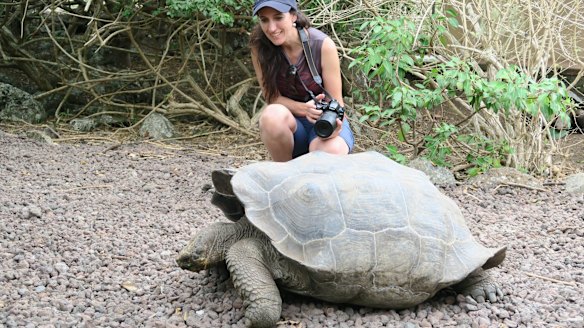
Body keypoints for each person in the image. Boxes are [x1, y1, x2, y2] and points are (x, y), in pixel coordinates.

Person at [250, 0, 355, 162]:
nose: (271, 28)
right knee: (271, 117)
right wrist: (303, 109)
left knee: (327, 152)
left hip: (324, 123)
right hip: (291, 129)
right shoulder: (259, 48)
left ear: (293, 15)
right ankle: (284, 175)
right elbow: (272, 97)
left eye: (278, 18)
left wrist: (333, 125)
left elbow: (336, 101)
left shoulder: (322, 45)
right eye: (264, 20)